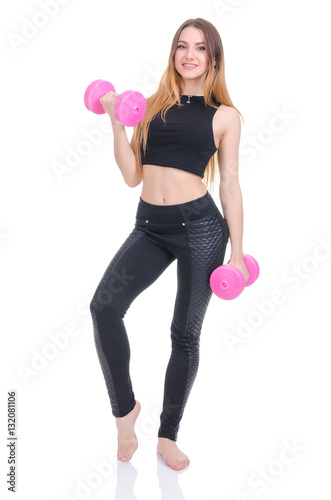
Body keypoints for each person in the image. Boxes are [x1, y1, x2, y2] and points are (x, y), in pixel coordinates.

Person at [89, 17, 249, 471]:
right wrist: (115, 123)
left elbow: (231, 186)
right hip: (149, 226)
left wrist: (237, 254)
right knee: (104, 307)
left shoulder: (225, 117)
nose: (190, 54)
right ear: (173, 53)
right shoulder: (152, 105)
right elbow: (131, 176)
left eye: (200, 47)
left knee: (184, 334)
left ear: (213, 58)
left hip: (201, 230)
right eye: (182, 46)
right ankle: (125, 413)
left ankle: (167, 435)